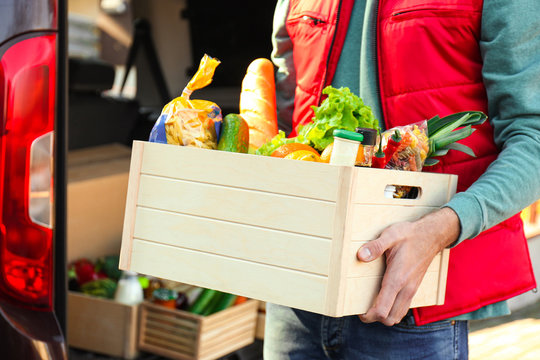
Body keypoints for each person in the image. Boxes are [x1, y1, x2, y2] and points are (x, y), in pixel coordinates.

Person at [264, 0, 540, 358]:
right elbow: (284, 127)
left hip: (412, 302)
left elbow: (532, 135)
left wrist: (438, 229)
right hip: (298, 292)